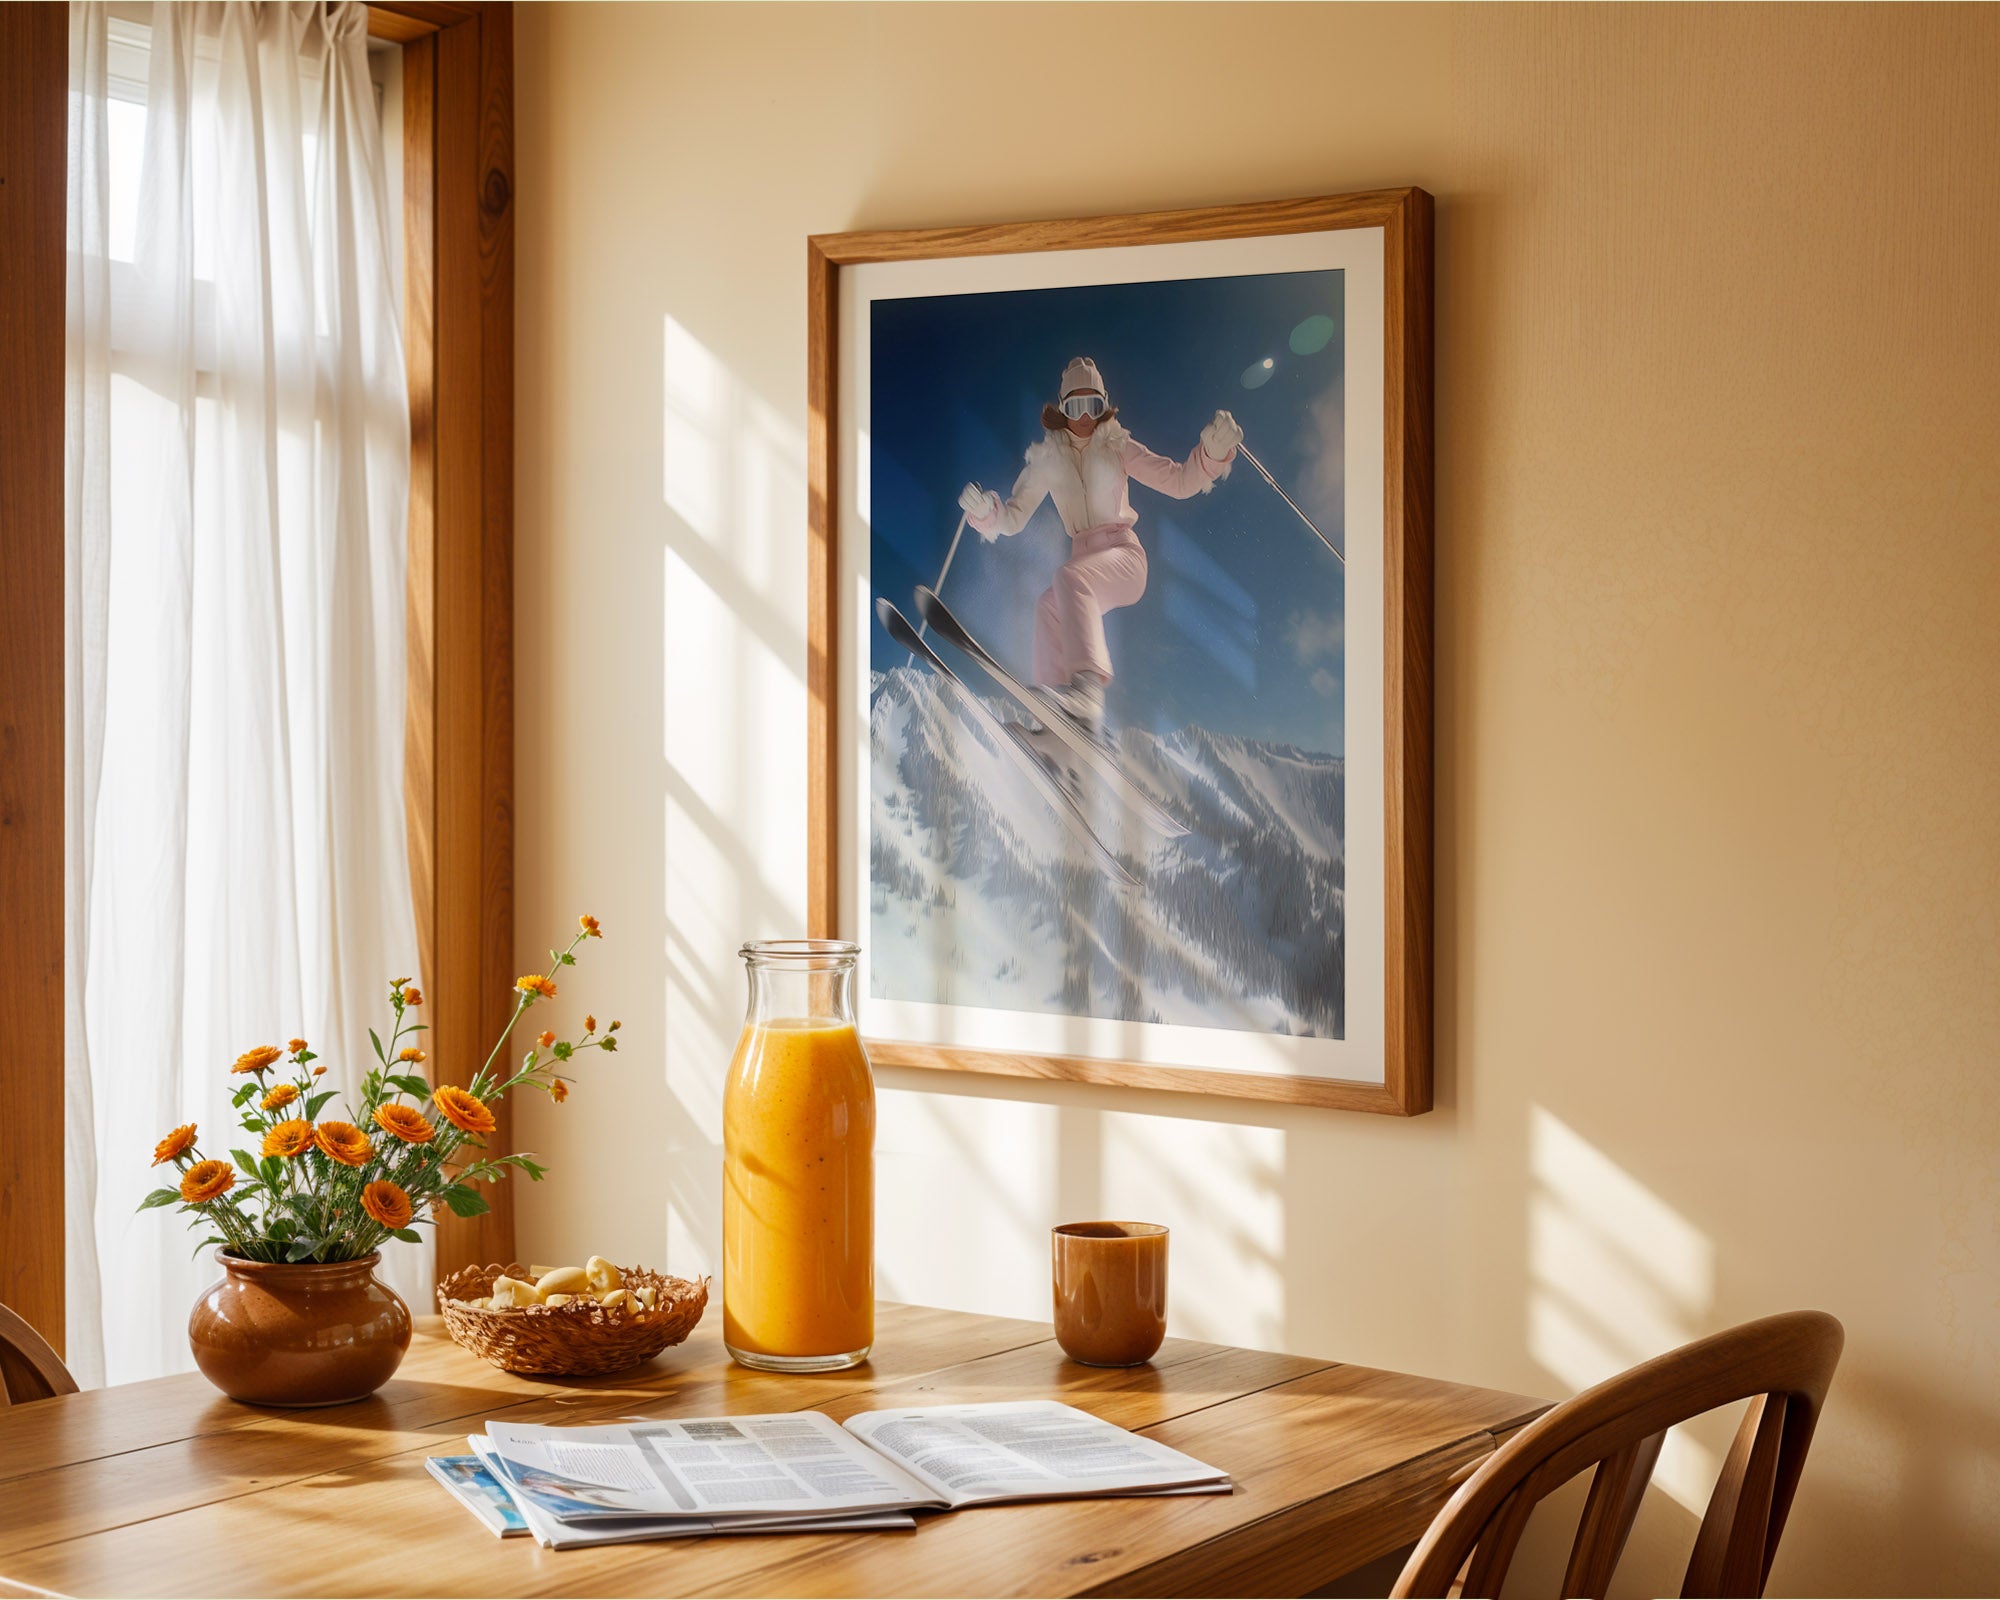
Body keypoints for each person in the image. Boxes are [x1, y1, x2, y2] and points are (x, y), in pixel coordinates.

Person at [958, 356, 1242, 755]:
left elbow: (1178, 481)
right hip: (1084, 563)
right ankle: (1055, 729)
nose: (1085, 418)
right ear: (1061, 410)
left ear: (1104, 406)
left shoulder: (1117, 446)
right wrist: (986, 513)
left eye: (1093, 406)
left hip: (1124, 557)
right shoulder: (1048, 461)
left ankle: (1086, 699)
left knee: (1071, 579)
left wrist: (1211, 454)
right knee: (1047, 607)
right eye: (1075, 407)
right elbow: (1013, 518)